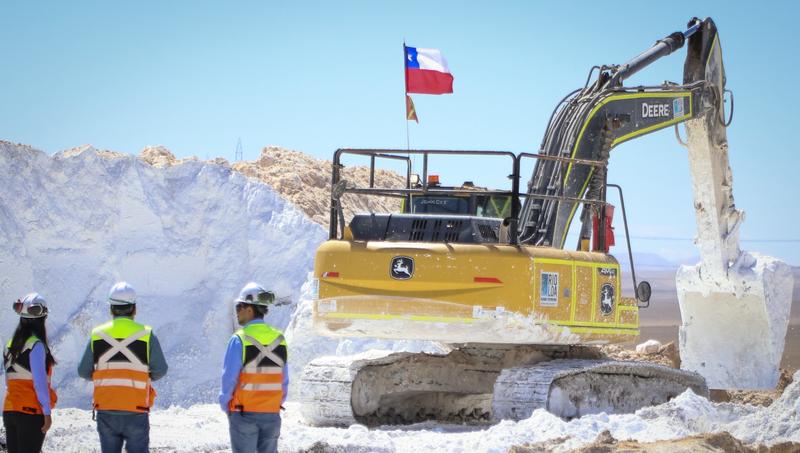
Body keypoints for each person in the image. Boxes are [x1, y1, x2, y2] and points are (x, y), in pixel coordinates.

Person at [77, 281, 168, 453]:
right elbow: (160, 369)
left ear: (111, 308)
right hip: (136, 409)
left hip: (106, 409)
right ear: (134, 308)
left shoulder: (97, 334)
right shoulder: (146, 334)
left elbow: (83, 370)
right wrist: (142, 376)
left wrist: (105, 376)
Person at [219, 282, 288, 453]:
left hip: (244, 413)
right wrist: (274, 404)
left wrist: (226, 405)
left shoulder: (239, 339)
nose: (237, 311)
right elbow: (284, 380)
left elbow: (229, 377)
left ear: (249, 309)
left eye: (239, 307)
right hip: (271, 414)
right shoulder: (279, 339)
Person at [3, 293, 58, 453]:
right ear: (42, 319)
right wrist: (46, 412)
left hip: (10, 410)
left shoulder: (9, 345)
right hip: (30, 411)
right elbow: (39, 382)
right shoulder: (36, 345)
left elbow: (9, 380)